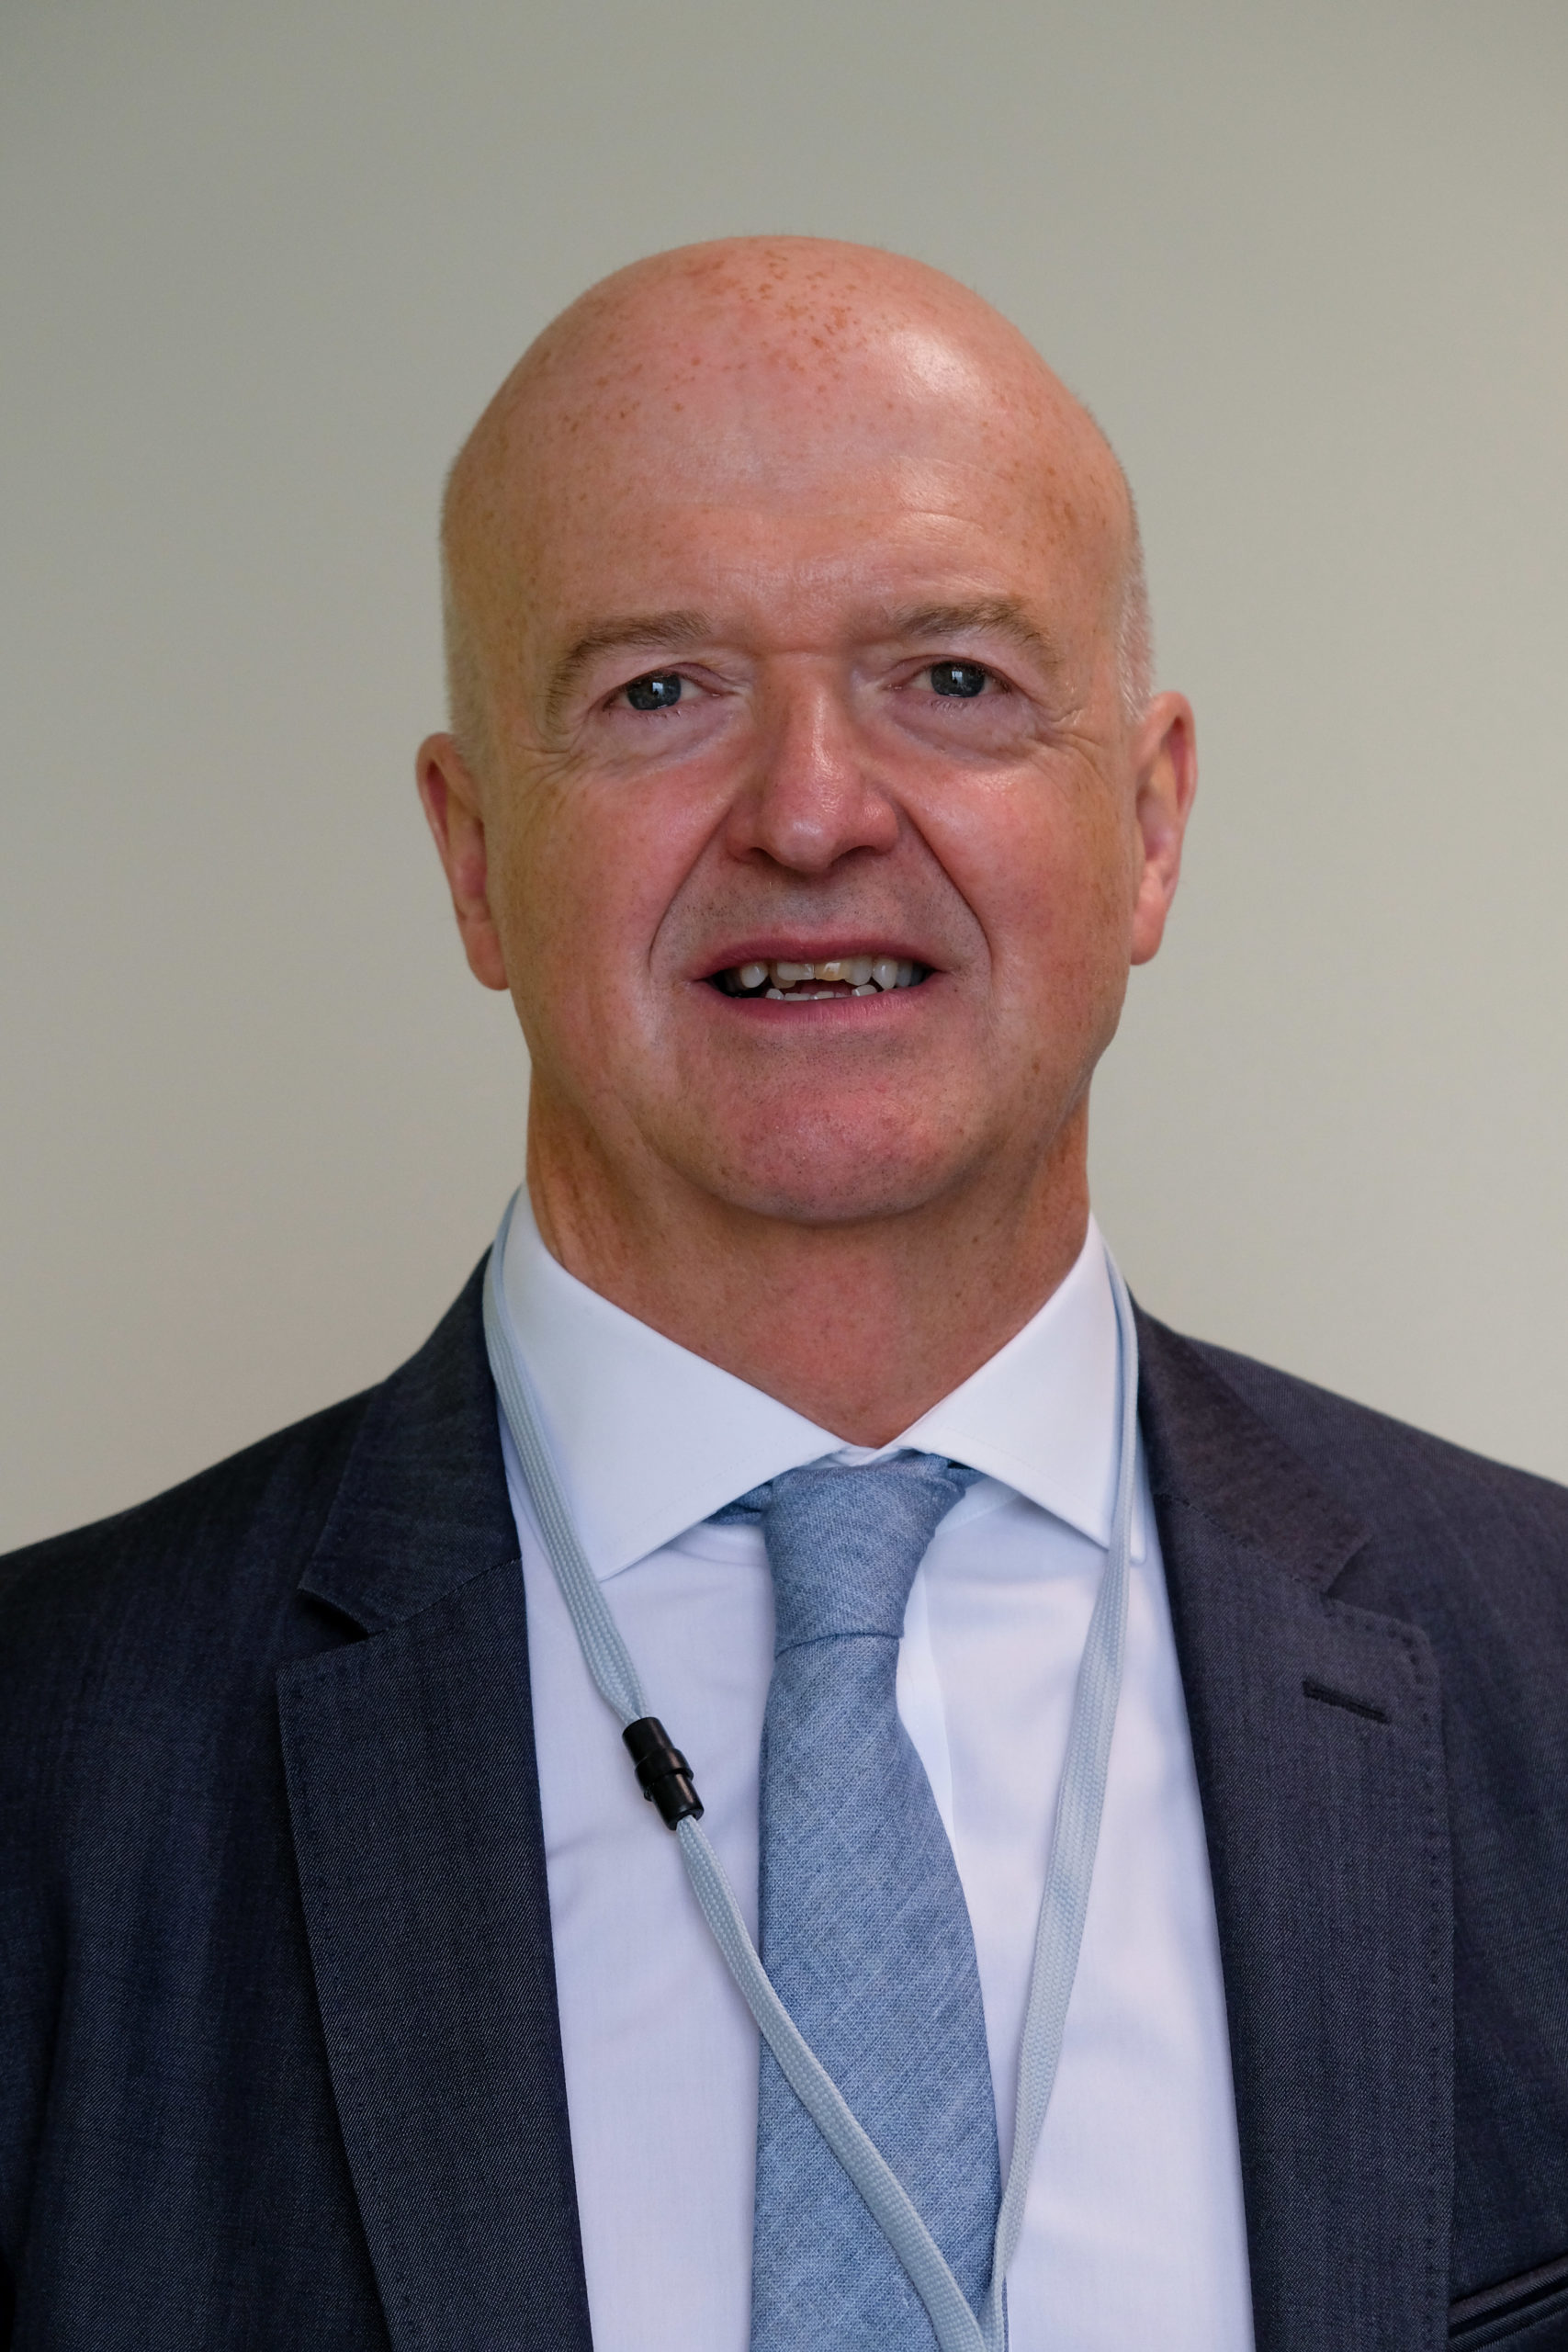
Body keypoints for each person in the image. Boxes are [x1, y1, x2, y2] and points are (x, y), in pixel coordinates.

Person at [2, 238, 1564, 2352]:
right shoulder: (47, 1761)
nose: (813, 812)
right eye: (659, 689)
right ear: (473, 855)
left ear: (1147, 823)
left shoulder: (1539, 1663)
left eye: (953, 679)